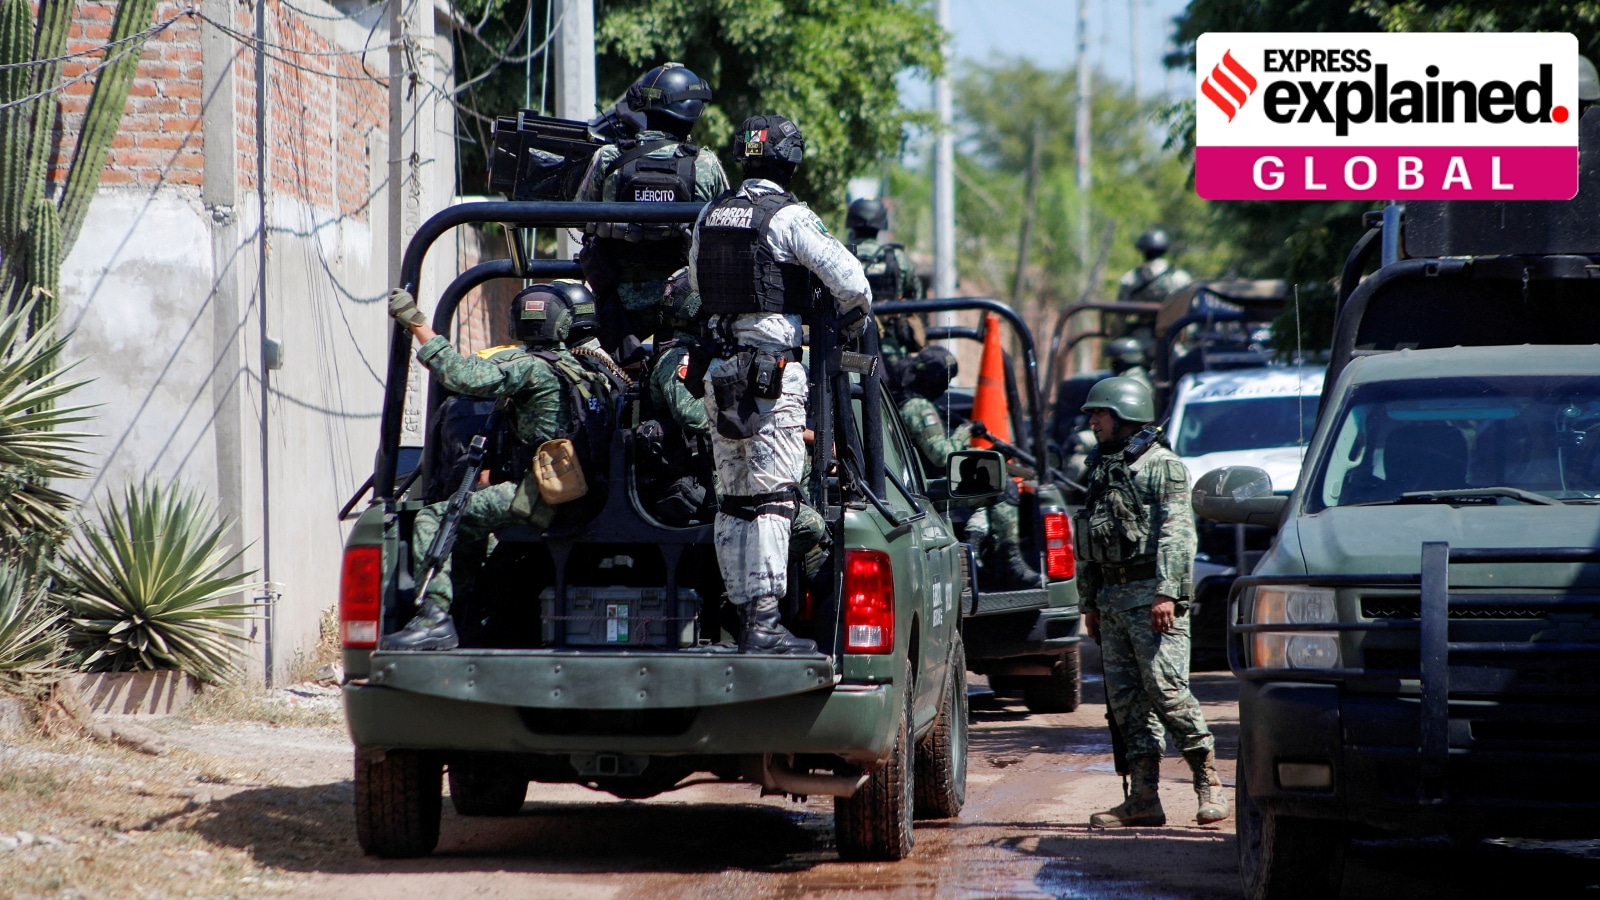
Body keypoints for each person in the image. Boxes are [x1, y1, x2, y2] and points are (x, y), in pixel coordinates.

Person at [689, 113, 871, 654]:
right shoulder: (789, 215)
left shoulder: (709, 213)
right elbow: (851, 280)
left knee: (734, 500)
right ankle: (764, 626)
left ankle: (746, 618)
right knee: (773, 500)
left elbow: (696, 283)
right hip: (773, 374)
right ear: (791, 161)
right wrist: (855, 319)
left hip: (721, 373)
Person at [380, 284, 613, 651]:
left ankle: (435, 620)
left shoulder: (531, 368)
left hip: (543, 499)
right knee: (474, 525)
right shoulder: (581, 370)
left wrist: (415, 321)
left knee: (434, 519)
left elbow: (459, 376)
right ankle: (471, 613)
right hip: (580, 496)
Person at [1077, 375, 1226, 827]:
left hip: (1151, 599)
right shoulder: (1103, 467)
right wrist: (1090, 601)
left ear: (1123, 415)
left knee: (1167, 691)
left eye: (1099, 413)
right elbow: (1089, 537)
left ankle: (1209, 784)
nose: (1093, 421)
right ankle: (1143, 798)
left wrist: (1166, 592)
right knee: (1127, 704)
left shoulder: (1164, 466)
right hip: (1114, 600)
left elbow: (1177, 533)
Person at [577, 63, 729, 350]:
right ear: (692, 112)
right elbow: (724, 226)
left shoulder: (608, 158)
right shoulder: (704, 164)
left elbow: (578, 216)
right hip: (684, 307)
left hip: (615, 306)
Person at [897, 346, 1038, 590]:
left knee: (994, 477)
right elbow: (941, 456)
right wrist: (967, 431)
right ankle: (1007, 564)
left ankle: (976, 545)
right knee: (1002, 489)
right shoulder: (918, 407)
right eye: (945, 379)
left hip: (928, 485)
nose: (946, 385)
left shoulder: (918, 404)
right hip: (926, 491)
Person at [847, 197, 924, 373]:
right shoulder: (897, 258)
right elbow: (917, 296)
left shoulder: (841, 253)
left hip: (852, 350)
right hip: (892, 349)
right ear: (881, 223)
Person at [1111, 228, 1192, 342]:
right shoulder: (1181, 278)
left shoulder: (1130, 278)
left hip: (1140, 337)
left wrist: (1116, 337)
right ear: (1165, 250)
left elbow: (1120, 317)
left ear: (1142, 251)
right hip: (1172, 336)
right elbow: (1189, 314)